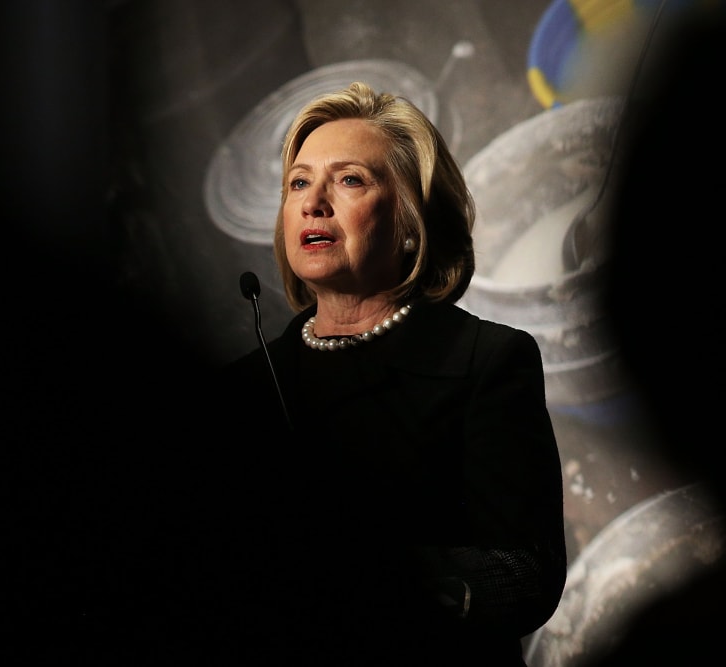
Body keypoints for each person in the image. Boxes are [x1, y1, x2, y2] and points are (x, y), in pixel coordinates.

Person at [217, 81, 567, 666]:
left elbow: (525, 571)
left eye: (350, 180)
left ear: (410, 221)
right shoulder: (239, 392)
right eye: (299, 183)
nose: (313, 203)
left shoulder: (484, 360)